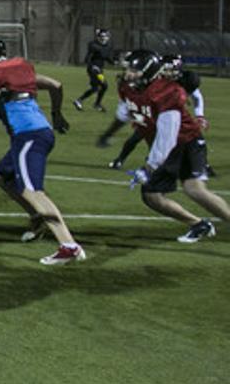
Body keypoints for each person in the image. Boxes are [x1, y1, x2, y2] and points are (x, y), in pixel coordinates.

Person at [0, 35, 86, 265]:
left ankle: (69, 245)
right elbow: (56, 84)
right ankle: (36, 218)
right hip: (38, 132)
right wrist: (57, 114)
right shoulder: (16, 70)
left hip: (28, 135)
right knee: (2, 177)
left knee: (32, 191)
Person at [118, 50, 229, 242]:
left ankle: (207, 223)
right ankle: (199, 225)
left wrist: (150, 166)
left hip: (186, 143)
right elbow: (131, 109)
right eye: (127, 69)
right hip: (167, 147)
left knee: (193, 189)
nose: (128, 73)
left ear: (148, 71)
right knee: (152, 196)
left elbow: (167, 137)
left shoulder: (167, 92)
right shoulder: (127, 87)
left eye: (133, 69)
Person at [103, 53, 212, 174]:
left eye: (170, 70)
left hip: (167, 121)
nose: (167, 72)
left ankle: (199, 166)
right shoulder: (148, 84)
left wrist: (199, 115)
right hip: (150, 117)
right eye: (166, 69)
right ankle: (126, 160)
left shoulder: (171, 85)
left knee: (179, 143)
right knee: (139, 138)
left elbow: (195, 95)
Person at [73, 28, 115, 111]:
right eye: (103, 36)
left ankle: (89, 102)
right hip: (93, 69)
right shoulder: (93, 45)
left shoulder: (106, 46)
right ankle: (86, 102)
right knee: (103, 85)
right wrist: (92, 66)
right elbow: (89, 58)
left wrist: (116, 62)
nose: (105, 38)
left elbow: (107, 58)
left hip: (99, 70)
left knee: (98, 87)